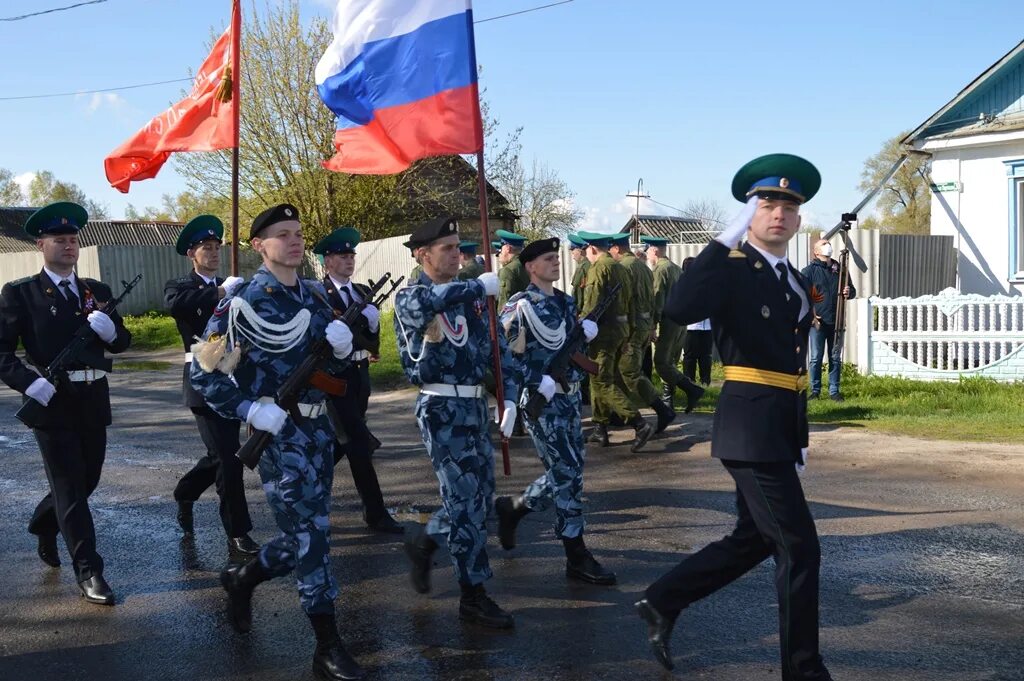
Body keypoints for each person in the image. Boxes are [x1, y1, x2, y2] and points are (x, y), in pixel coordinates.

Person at [636, 154, 832, 681]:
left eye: (789, 206)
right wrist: (719, 245)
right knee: (798, 546)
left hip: (776, 428)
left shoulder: (790, 277)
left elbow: (790, 364)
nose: (779, 213)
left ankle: (662, 599)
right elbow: (678, 306)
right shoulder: (732, 268)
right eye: (767, 203)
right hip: (747, 428)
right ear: (750, 212)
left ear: (799, 218)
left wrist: (800, 435)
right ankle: (804, 671)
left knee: (752, 539)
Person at [191, 204, 365, 681]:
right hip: (279, 436)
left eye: (299, 232)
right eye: (283, 234)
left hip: (318, 433)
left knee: (307, 532)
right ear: (259, 246)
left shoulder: (313, 296)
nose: (294, 241)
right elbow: (203, 373)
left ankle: (245, 577)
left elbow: (332, 371)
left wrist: (344, 351)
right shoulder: (242, 301)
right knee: (314, 536)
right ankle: (327, 646)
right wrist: (248, 409)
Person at [0, 201, 132, 606]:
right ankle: (90, 570)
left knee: (87, 481)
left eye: (73, 239)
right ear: (41, 245)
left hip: (92, 398)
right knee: (70, 488)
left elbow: (122, 343)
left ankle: (44, 523)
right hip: (51, 401)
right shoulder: (21, 294)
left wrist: (112, 333)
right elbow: (2, 353)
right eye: (60, 239)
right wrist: (28, 383)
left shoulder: (99, 291)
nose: (69, 246)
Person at [395, 217, 519, 629]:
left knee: (480, 499)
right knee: (465, 502)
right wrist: (475, 286)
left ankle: (426, 538)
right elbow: (426, 306)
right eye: (447, 248)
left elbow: (496, 353)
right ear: (422, 254)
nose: (456, 254)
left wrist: (511, 398)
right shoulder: (411, 296)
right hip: (440, 410)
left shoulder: (470, 302)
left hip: (473, 408)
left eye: (457, 247)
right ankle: (474, 595)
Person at [494, 238, 616, 586]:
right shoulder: (518, 307)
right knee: (568, 473)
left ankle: (515, 508)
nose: (555, 263)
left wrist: (585, 335)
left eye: (555, 258)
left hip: (570, 399)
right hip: (542, 402)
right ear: (531, 267)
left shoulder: (564, 302)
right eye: (548, 259)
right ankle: (576, 553)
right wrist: (536, 381)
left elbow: (568, 350)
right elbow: (502, 359)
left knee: (570, 471)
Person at [164, 215, 259, 556]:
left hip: (233, 377)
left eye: (218, 247)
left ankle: (186, 490)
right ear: (192, 253)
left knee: (219, 455)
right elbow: (178, 306)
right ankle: (238, 530)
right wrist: (219, 293)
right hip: (203, 382)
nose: (215, 252)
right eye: (207, 247)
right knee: (230, 458)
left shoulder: (232, 284)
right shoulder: (181, 286)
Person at [313, 226, 402, 534]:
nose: (349, 260)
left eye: (351, 255)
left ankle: (310, 481)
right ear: (328, 261)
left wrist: (374, 327)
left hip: (360, 374)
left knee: (343, 444)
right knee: (358, 443)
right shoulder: (318, 294)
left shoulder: (362, 291)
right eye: (342, 255)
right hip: (334, 378)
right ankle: (376, 514)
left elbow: (371, 346)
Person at [576, 231, 653, 451]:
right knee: (598, 377)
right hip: (621, 329)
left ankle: (639, 423)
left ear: (592, 249)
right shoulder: (621, 267)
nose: (586, 255)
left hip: (603, 333)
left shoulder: (599, 268)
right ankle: (600, 428)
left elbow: (592, 304)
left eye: (586, 251)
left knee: (602, 381)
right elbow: (631, 302)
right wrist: (628, 333)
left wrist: (581, 327)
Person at [608, 233, 675, 432]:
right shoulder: (643, 267)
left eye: (610, 249)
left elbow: (624, 302)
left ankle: (662, 410)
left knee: (630, 372)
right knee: (621, 371)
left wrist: (625, 331)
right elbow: (652, 300)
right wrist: (651, 325)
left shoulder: (624, 268)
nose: (610, 253)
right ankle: (620, 415)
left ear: (616, 248)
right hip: (643, 325)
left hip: (632, 327)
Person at [643, 236, 706, 413]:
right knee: (670, 362)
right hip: (680, 322)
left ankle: (691, 389)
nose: (648, 255)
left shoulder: (660, 270)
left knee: (661, 362)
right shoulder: (677, 268)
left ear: (654, 250)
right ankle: (668, 401)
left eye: (647, 250)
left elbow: (657, 300)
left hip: (668, 322)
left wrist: (652, 326)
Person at [801, 239, 856, 401]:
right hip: (817, 322)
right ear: (816, 252)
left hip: (836, 320)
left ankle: (834, 391)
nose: (828, 245)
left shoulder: (840, 269)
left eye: (828, 243)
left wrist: (849, 292)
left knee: (835, 357)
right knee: (816, 357)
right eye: (824, 244)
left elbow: (851, 290)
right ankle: (815, 391)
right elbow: (801, 296)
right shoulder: (808, 271)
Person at [680, 256, 714, 387]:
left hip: (696, 327)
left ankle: (693, 382)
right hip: (696, 326)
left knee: (693, 356)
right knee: (701, 356)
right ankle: (699, 382)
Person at [568, 234, 591, 405]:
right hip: (586, 317)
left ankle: (584, 393)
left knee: (580, 355)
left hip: (582, 317)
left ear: (579, 251)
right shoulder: (587, 266)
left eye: (572, 250)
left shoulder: (583, 268)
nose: (571, 254)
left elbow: (578, 297)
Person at [495, 229, 530, 309]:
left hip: (514, 318)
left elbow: (504, 302)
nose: (501, 252)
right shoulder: (530, 265)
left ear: (507, 248)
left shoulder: (507, 270)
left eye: (501, 247)